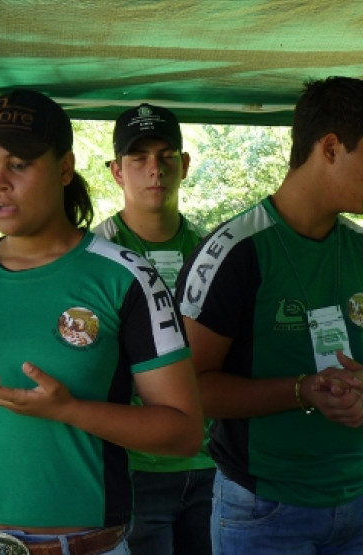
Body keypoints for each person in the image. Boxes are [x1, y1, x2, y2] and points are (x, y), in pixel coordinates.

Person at [0, 88, 204, 555]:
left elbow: (184, 433)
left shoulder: (127, 277)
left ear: (65, 168)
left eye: (19, 164)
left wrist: (68, 410)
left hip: (80, 544)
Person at [177, 76, 363, 554]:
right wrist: (302, 389)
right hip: (265, 511)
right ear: (330, 148)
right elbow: (189, 391)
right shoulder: (235, 252)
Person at [93, 104, 213, 555]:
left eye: (166, 156)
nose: (155, 170)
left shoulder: (213, 252)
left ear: (185, 164)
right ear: (116, 171)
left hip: (212, 462)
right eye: (139, 158)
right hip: (131, 467)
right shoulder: (93, 256)